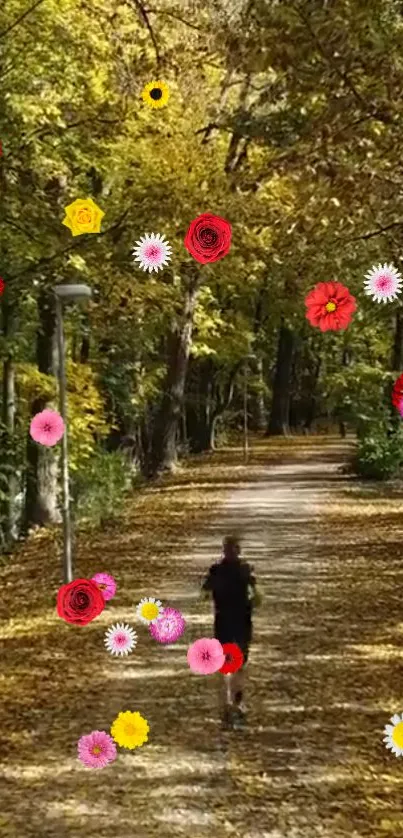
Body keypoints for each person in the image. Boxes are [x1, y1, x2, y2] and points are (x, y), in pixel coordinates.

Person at [201, 535, 261, 730]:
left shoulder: (219, 571)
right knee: (236, 662)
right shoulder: (243, 570)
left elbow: (204, 594)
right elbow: (257, 597)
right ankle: (234, 702)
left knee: (230, 663)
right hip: (238, 620)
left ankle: (230, 702)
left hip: (229, 620)